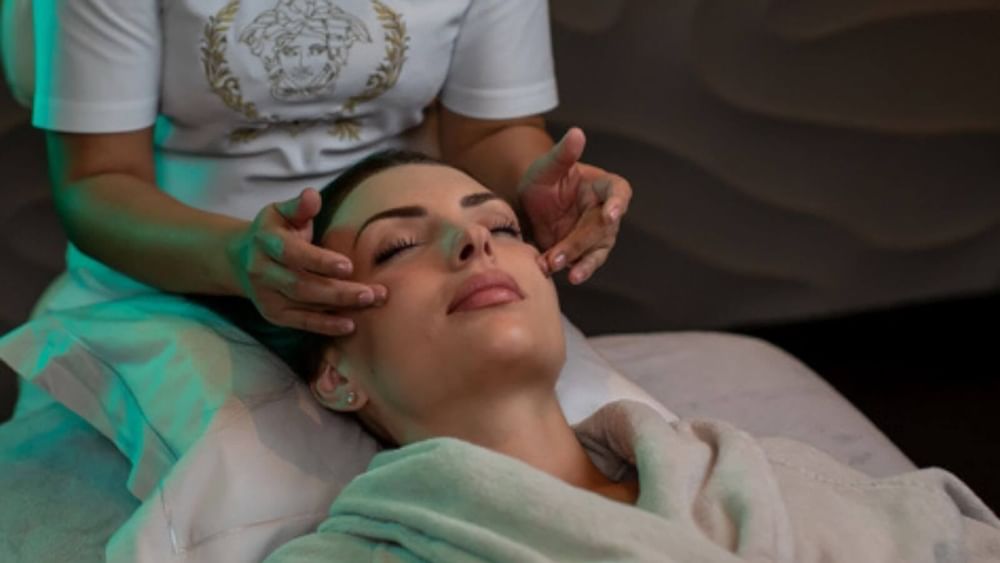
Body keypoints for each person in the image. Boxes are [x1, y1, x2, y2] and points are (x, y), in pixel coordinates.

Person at [250, 150, 999, 562]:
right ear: (337, 375)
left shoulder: (758, 475)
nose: (475, 242)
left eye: (504, 227)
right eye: (399, 244)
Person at [18, 0, 630, 414]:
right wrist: (238, 261)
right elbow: (98, 182)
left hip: (398, 282)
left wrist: (539, 186)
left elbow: (488, 134)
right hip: (180, 286)